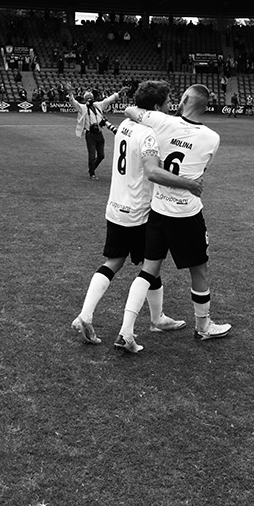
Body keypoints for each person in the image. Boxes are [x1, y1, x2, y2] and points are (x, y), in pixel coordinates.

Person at [71, 81, 203, 345]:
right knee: (151, 265)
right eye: (167, 101)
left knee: (113, 261)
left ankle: (85, 315)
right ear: (156, 106)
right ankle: (145, 324)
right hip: (139, 211)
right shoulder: (149, 134)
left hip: (115, 207)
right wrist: (189, 184)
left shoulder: (126, 125)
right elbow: (152, 171)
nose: (170, 105)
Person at [114, 84, 230, 353]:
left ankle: (126, 330)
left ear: (185, 99)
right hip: (186, 214)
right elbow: (200, 173)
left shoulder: (161, 121)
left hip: (157, 211)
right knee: (198, 270)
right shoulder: (212, 138)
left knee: (149, 270)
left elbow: (131, 110)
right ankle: (203, 327)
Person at [66, 83, 121, 180]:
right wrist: (70, 92)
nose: (89, 99)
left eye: (90, 97)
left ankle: (92, 168)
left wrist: (119, 93)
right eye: (87, 98)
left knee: (101, 155)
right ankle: (92, 173)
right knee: (91, 155)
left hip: (99, 134)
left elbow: (108, 100)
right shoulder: (83, 108)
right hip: (90, 135)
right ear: (84, 100)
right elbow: (73, 102)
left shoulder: (98, 106)